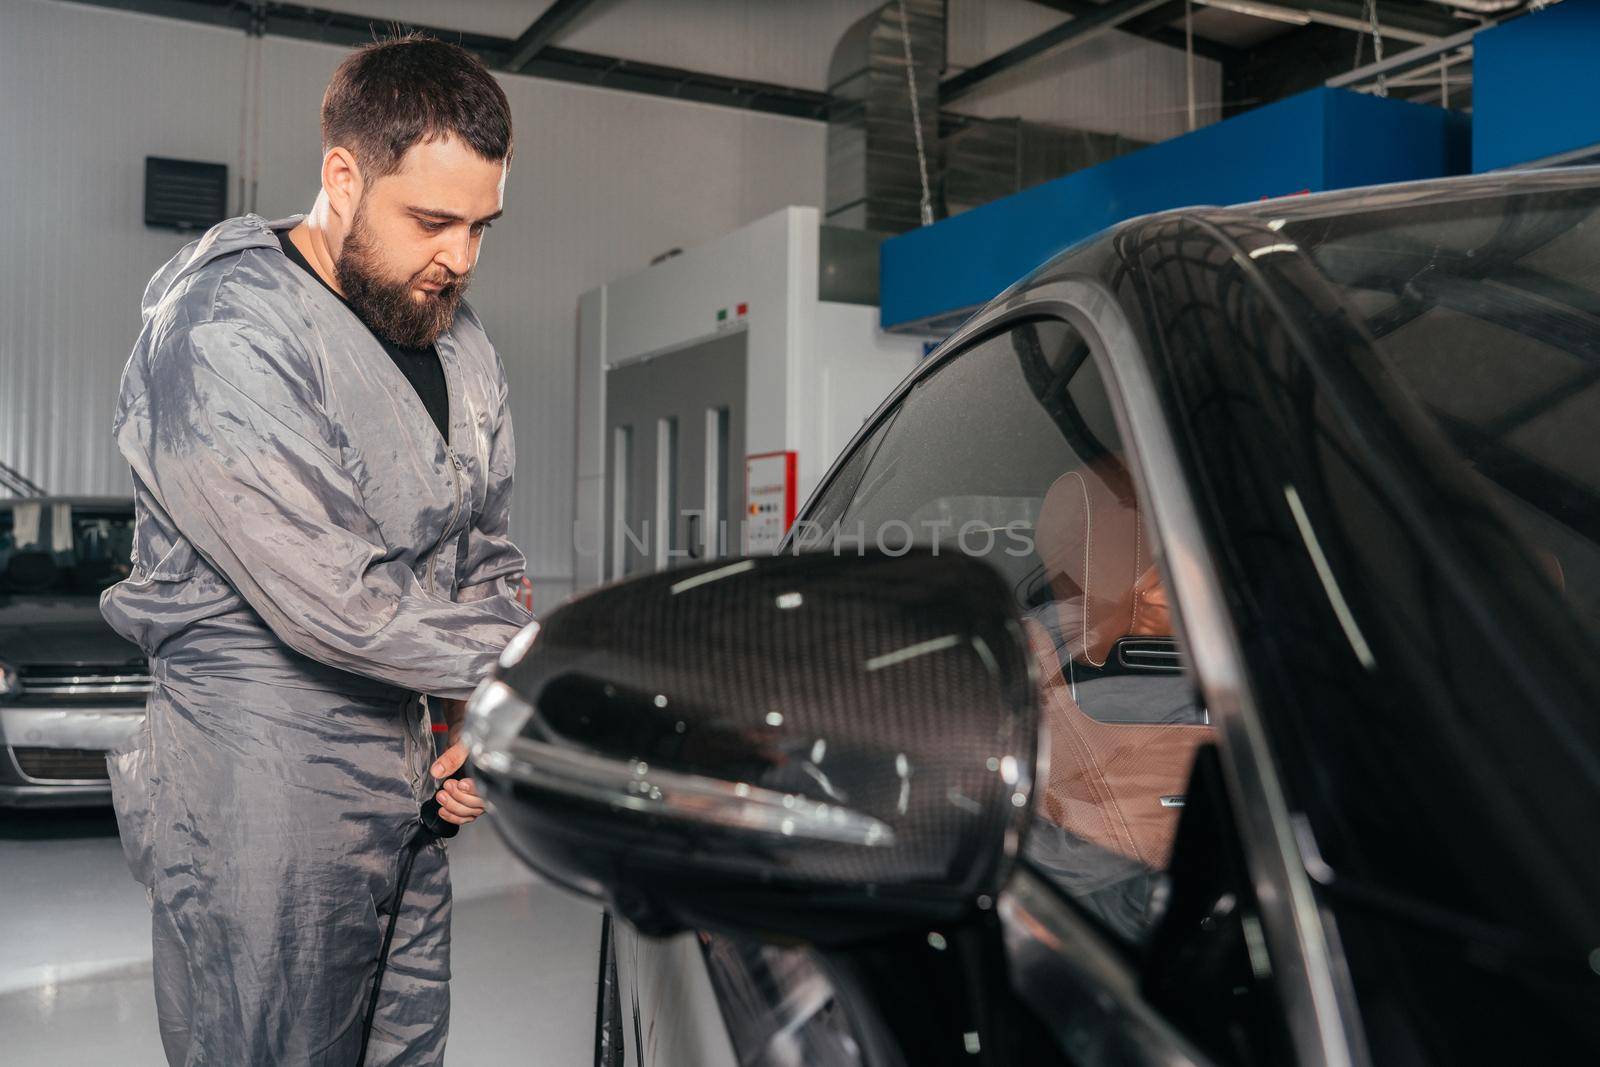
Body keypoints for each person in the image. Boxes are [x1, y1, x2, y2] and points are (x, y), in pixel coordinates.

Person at [100, 35, 532, 1066]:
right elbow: (331, 596)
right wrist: (533, 668)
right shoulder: (225, 327)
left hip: (409, 774)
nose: (460, 258)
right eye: (431, 220)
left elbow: (482, 546)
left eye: (482, 225)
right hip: (261, 791)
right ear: (343, 175)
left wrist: (476, 708)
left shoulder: (459, 342)